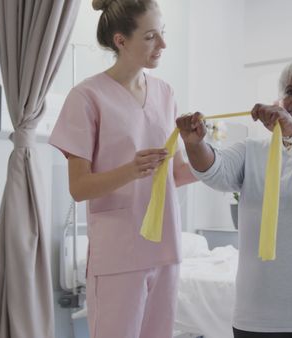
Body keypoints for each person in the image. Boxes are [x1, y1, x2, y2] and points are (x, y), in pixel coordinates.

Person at [176, 56, 292, 338]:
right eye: (290, 91)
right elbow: (215, 171)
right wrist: (195, 145)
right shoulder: (253, 150)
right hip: (258, 318)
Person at [48, 0, 196, 337]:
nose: (162, 45)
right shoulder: (87, 96)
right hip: (119, 254)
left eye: (163, 35)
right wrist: (131, 170)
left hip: (165, 248)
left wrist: (208, 155)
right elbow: (79, 187)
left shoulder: (165, 93)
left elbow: (176, 174)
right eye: (150, 37)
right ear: (121, 40)